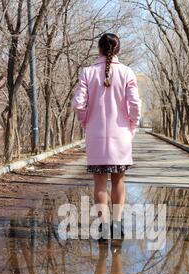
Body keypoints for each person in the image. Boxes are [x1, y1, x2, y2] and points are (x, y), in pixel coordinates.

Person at [71, 33, 142, 240]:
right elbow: (135, 104)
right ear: (118, 49)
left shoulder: (88, 72)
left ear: (99, 49)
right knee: (119, 181)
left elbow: (78, 104)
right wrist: (132, 125)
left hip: (95, 135)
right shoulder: (127, 72)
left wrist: (85, 120)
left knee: (99, 183)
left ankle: (103, 228)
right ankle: (117, 225)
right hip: (121, 135)